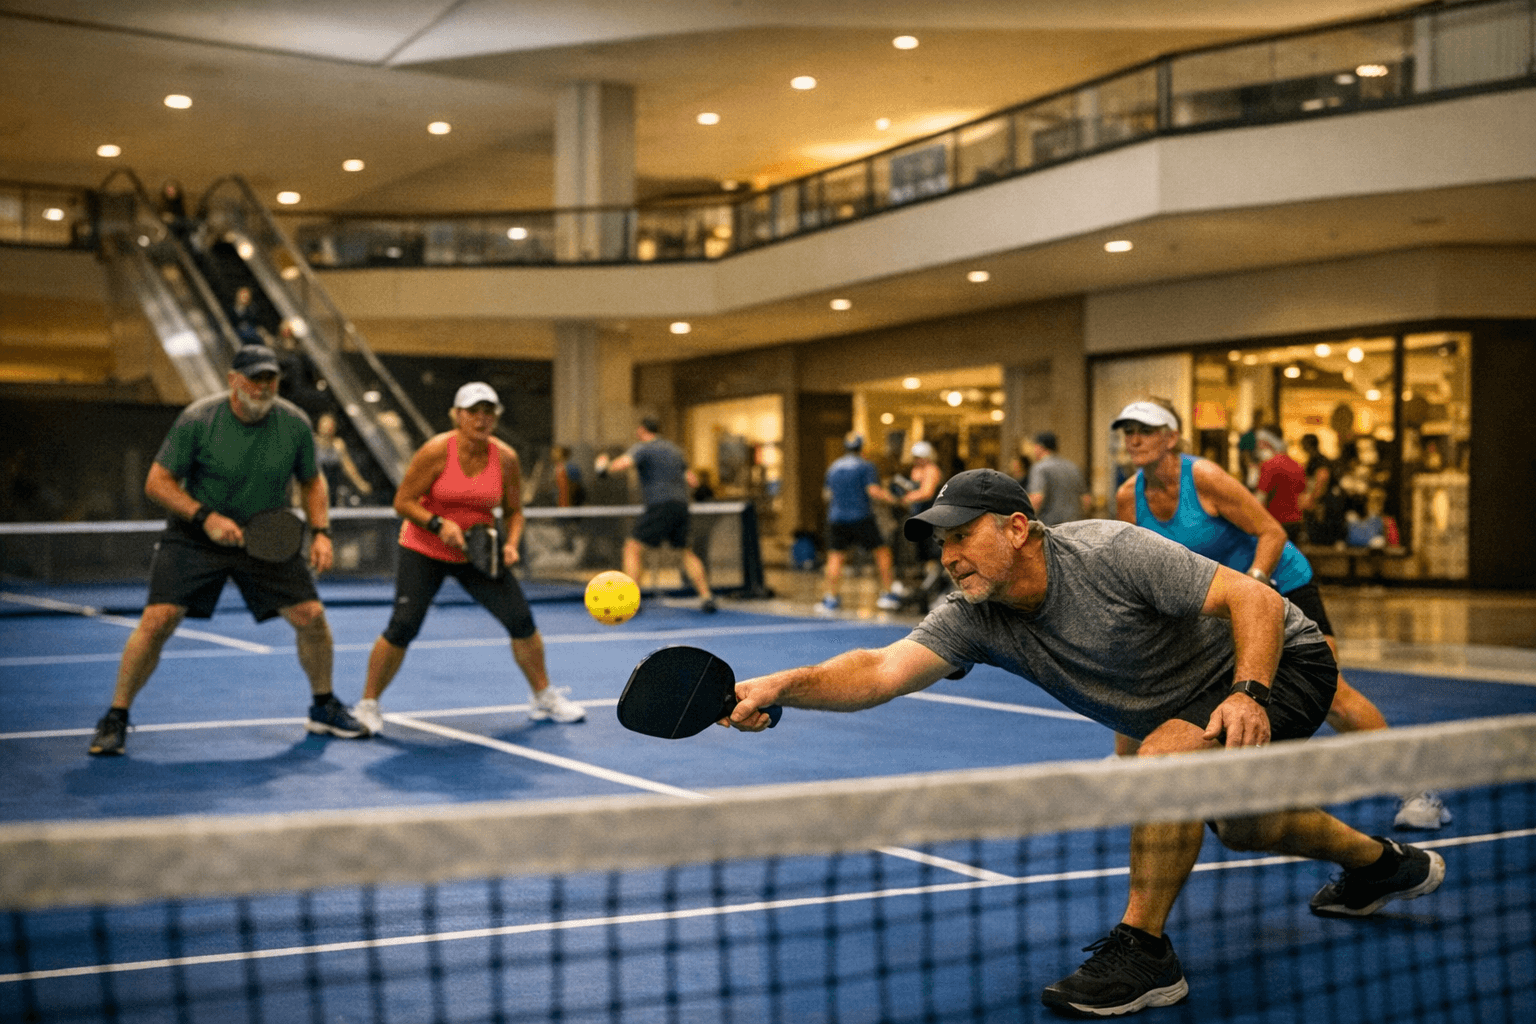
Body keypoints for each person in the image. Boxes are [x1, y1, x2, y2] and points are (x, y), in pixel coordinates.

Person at [723, 469, 1446, 1017]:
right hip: (1182, 697)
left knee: (1165, 763)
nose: (947, 555)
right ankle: (1382, 867)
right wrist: (780, 686)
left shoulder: (1108, 552)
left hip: (1276, 660)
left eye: (959, 535)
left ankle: (1145, 952)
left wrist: (1248, 692)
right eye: (940, 542)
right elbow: (880, 670)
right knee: (1244, 822)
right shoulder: (976, 615)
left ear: (1016, 528)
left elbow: (1252, 597)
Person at [1110, 400, 1448, 831]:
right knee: (1148, 679)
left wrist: (1253, 584)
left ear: (1171, 437)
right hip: (1223, 602)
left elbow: (1271, 531)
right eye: (1128, 430)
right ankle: (1127, 777)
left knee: (1332, 696)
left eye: (1146, 428)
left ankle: (1420, 791)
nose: (1134, 438)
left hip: (1282, 583)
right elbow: (1141, 563)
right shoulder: (1128, 497)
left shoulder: (1206, 478)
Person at [88, 344, 365, 756]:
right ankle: (116, 716)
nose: (264, 386)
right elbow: (158, 482)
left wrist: (322, 531)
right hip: (197, 534)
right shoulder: (198, 419)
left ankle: (323, 706)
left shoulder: (294, 424)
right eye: (255, 378)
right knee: (158, 619)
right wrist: (206, 518)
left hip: (265, 534)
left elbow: (312, 480)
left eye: (270, 379)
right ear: (233, 381)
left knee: (311, 617)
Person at [353, 383, 584, 734]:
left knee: (521, 621)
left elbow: (514, 511)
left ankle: (543, 697)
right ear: (457, 416)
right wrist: (437, 523)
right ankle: (368, 704)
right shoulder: (435, 451)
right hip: (424, 548)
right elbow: (403, 501)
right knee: (403, 626)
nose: (481, 418)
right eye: (473, 411)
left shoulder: (505, 458)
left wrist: (511, 545)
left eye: (488, 411)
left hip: (478, 552)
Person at [595, 418, 717, 613]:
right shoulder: (675, 450)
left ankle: (631, 601)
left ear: (642, 430)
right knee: (685, 552)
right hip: (681, 505)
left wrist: (602, 466)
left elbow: (621, 465)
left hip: (660, 505)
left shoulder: (643, 448)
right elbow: (692, 480)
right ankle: (706, 597)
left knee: (632, 548)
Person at [818, 435, 902, 614]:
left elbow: (826, 494)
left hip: (836, 518)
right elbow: (873, 491)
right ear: (861, 448)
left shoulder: (833, 467)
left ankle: (830, 598)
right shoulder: (866, 466)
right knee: (882, 552)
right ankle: (887, 594)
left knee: (835, 557)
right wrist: (896, 499)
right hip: (861, 517)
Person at [1025, 431, 1092, 525]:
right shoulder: (1073, 467)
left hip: (1050, 526)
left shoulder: (1040, 468)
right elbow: (1086, 499)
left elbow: (1037, 498)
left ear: (1040, 447)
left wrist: (1027, 520)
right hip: (1074, 525)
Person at [1253, 429, 1307, 544]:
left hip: (1276, 522)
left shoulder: (1268, 466)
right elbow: (1302, 498)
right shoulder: (1298, 466)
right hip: (1296, 523)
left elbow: (1260, 498)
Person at [314, 411, 374, 507]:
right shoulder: (311, 443)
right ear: (319, 425)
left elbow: (348, 466)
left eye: (330, 424)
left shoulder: (338, 444)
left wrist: (360, 483)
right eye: (324, 424)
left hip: (332, 487)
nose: (327, 427)